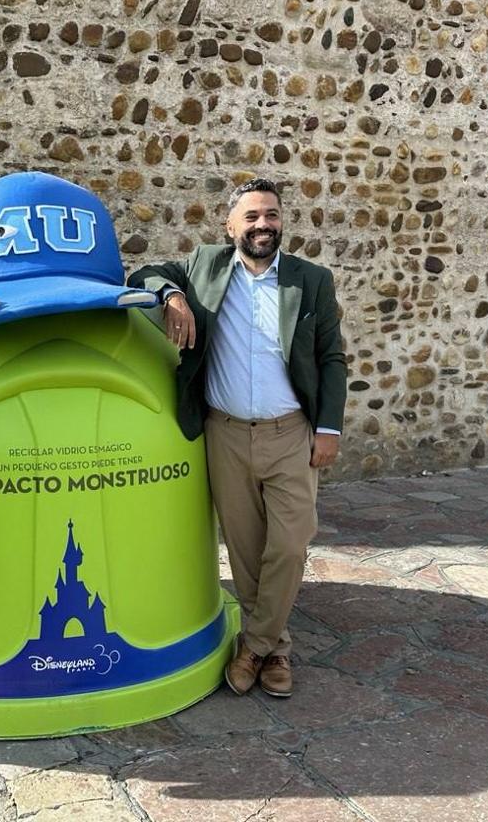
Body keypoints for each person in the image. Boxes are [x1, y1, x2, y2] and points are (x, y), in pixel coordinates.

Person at [127, 177, 346, 698]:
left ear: (282, 222)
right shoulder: (204, 266)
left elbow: (330, 357)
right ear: (230, 226)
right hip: (224, 434)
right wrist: (174, 296)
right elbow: (144, 271)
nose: (262, 225)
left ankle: (254, 646)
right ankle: (277, 653)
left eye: (270, 215)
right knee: (246, 553)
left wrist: (328, 428)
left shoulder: (309, 280)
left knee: (289, 546)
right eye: (251, 217)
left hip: (290, 433)